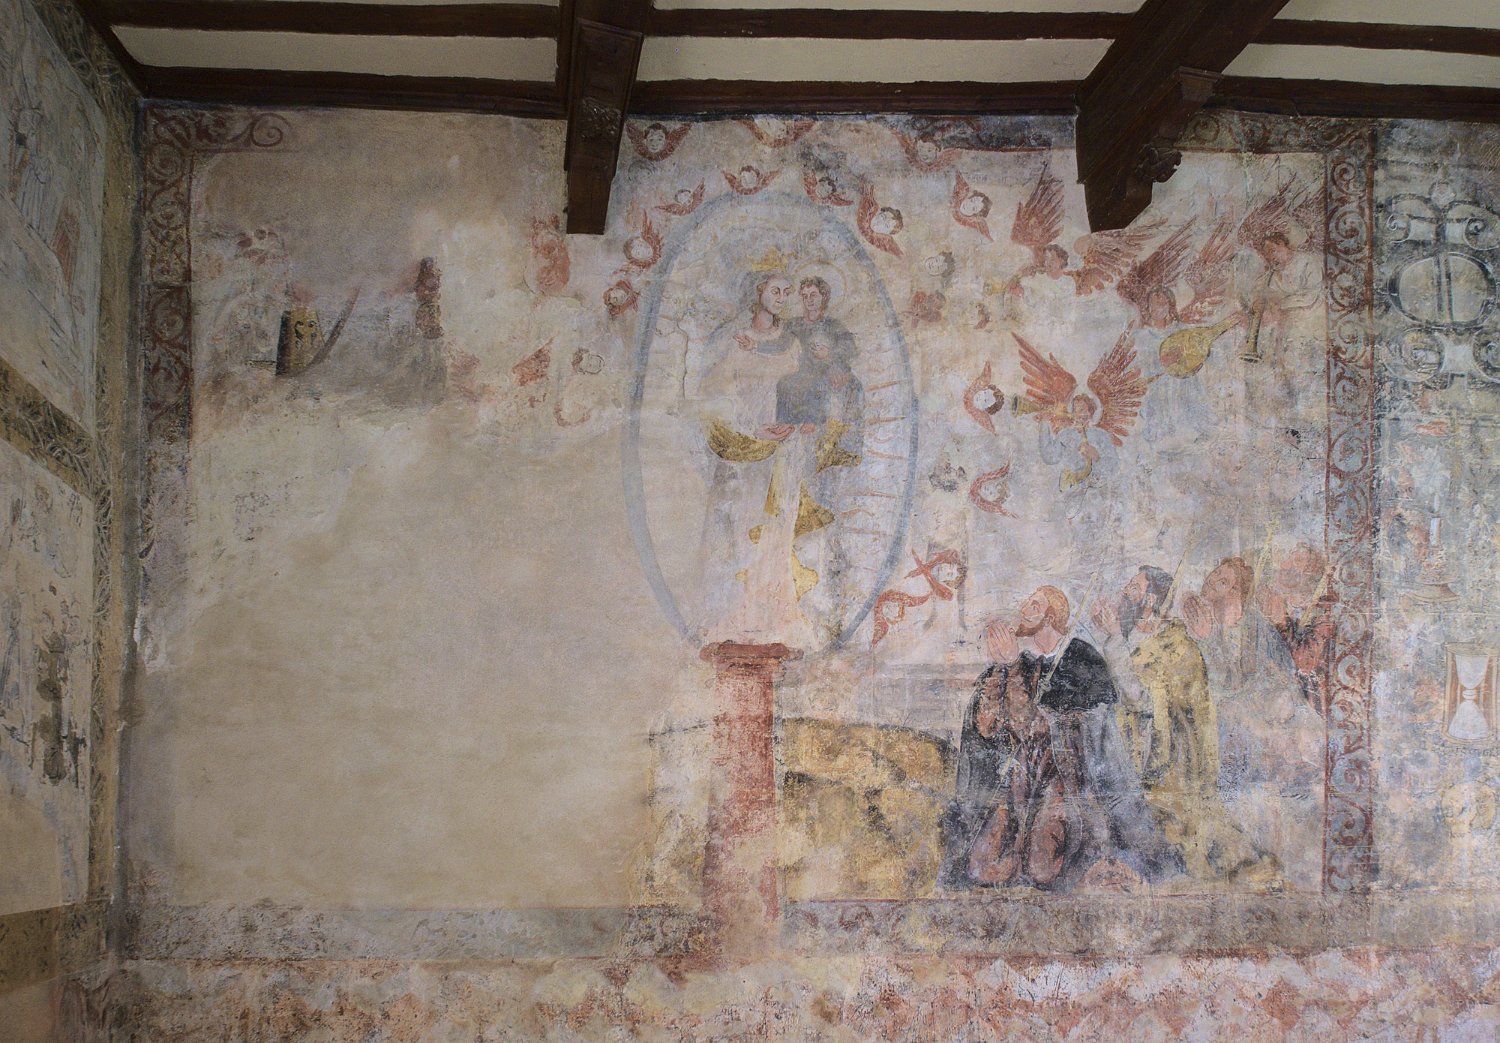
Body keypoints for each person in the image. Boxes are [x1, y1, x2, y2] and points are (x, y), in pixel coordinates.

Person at [944, 586, 1179, 891]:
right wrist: (1002, 671)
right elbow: (987, 729)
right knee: (980, 867)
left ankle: (1092, 865)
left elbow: (1053, 731)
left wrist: (1013, 669)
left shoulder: (1081, 658)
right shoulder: (1021, 662)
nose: (1024, 610)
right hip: (1017, 788)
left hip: (1065, 786)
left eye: (1034, 605)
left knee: (1043, 868)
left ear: (1051, 617)